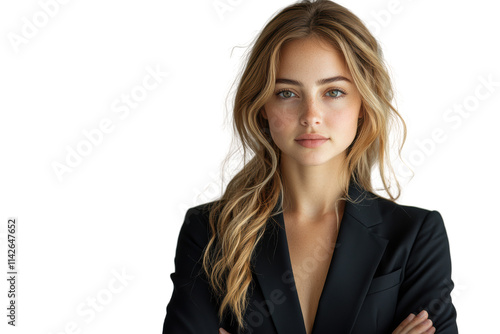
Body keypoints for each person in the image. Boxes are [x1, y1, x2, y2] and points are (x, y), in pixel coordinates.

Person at [162, 0, 458, 333]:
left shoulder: (416, 235)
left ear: (364, 100)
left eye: (333, 91)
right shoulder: (209, 232)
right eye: (287, 93)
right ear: (262, 105)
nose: (311, 116)